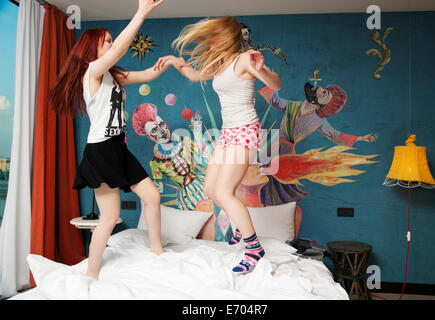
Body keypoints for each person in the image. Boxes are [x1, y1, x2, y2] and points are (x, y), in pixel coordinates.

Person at [49, 0, 170, 280]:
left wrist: (169, 64)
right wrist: (141, 13)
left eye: (111, 41)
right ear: (93, 48)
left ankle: (156, 250)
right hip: (101, 150)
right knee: (109, 216)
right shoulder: (91, 72)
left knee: (151, 196)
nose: (111, 45)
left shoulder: (112, 77)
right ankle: (92, 273)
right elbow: (120, 50)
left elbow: (147, 74)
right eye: (107, 42)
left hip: (118, 148)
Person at [154, 16, 282, 273]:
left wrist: (263, 69)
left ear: (225, 37)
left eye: (213, 38)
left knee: (224, 192)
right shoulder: (221, 62)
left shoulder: (245, 58)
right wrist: (175, 63)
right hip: (227, 133)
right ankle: (239, 229)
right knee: (211, 189)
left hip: (246, 130)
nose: (210, 43)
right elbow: (193, 75)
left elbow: (276, 84)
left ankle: (253, 247)